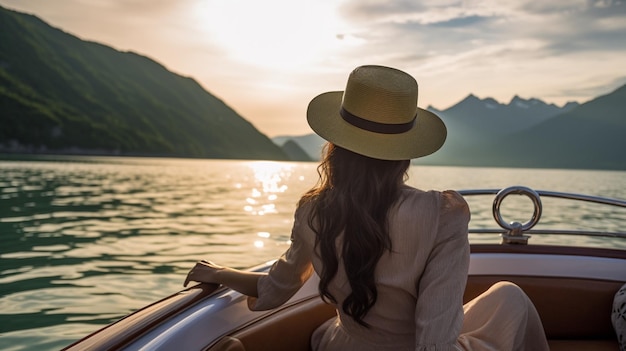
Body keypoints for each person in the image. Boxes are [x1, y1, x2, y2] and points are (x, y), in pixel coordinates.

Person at [184, 65, 550, 351]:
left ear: (336, 146)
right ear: (404, 153)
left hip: (346, 346)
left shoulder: (313, 211)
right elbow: (434, 341)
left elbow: (275, 288)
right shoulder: (442, 216)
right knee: (510, 298)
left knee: (330, 329)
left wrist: (222, 273)